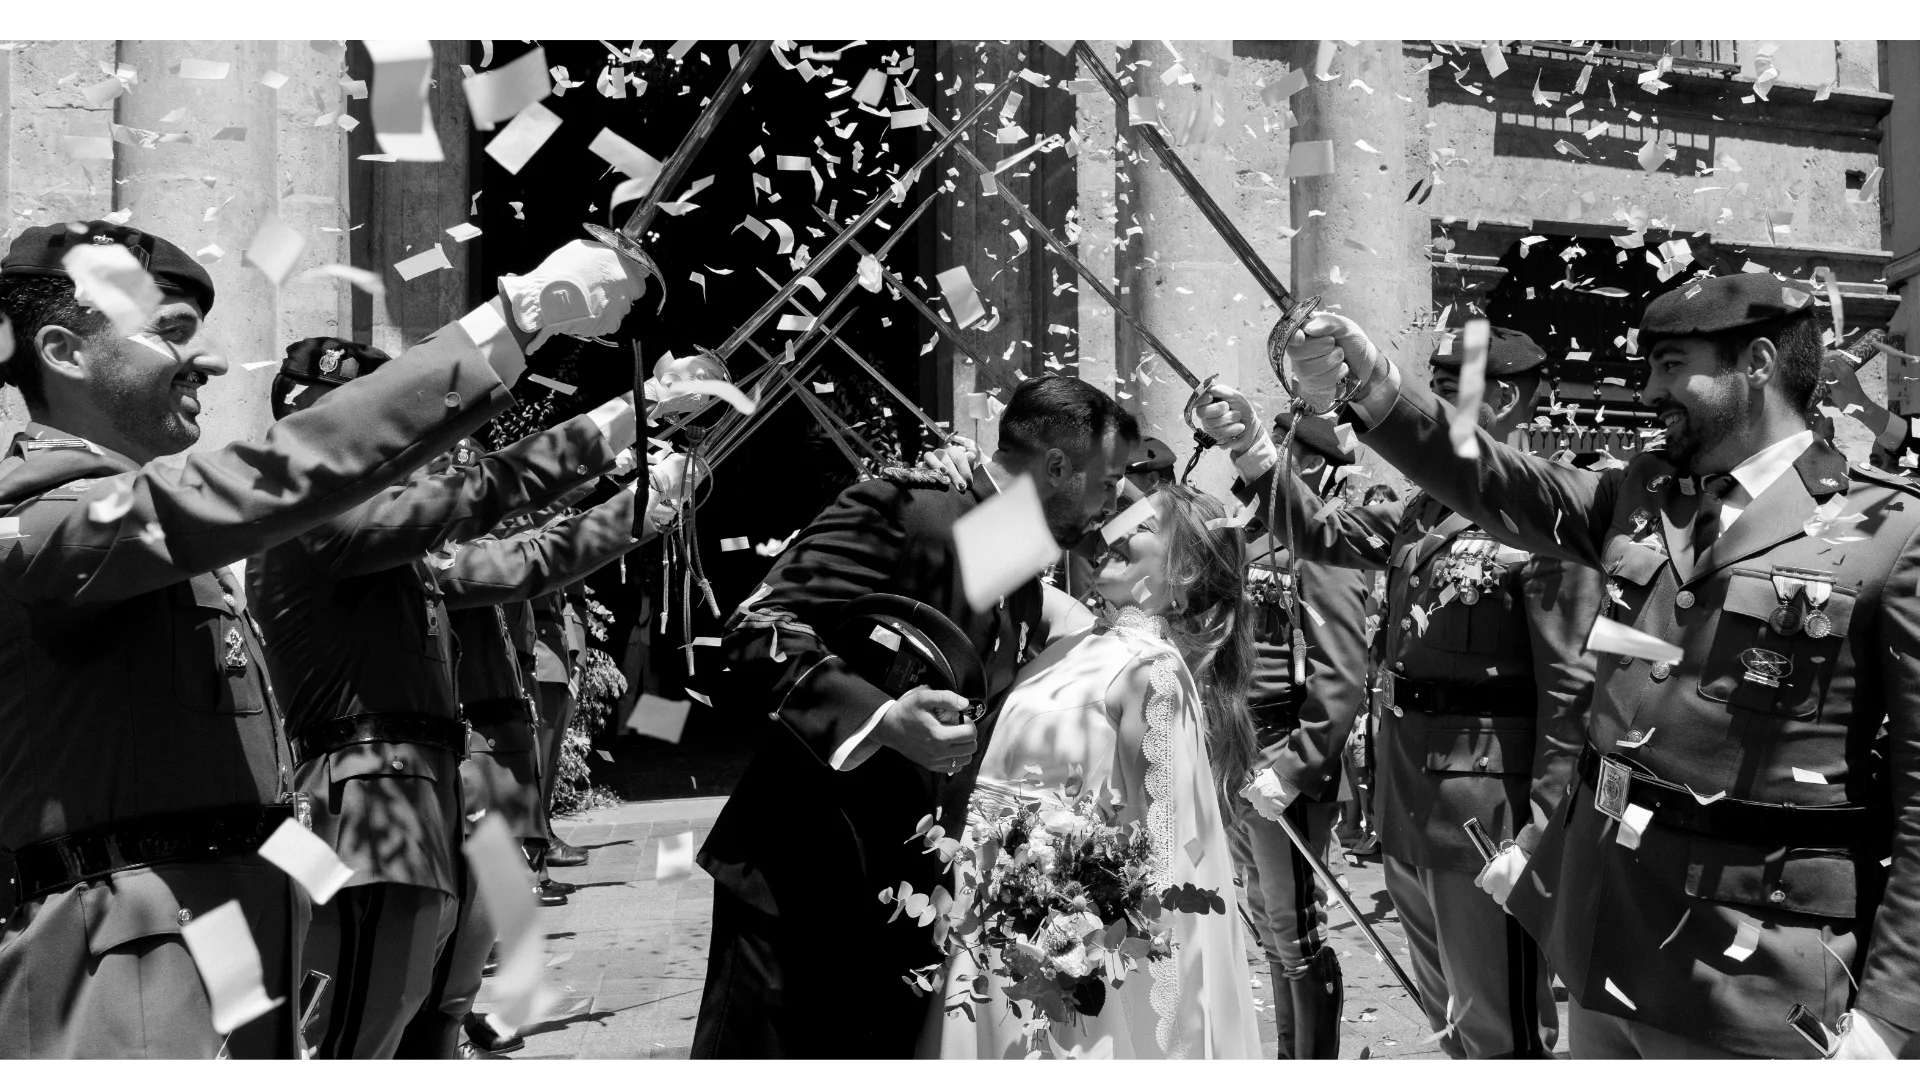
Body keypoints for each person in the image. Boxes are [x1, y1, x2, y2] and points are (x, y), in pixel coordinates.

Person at [1240, 274, 1920, 1063]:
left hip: (1755, 968)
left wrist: (1893, 1011)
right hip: (1609, 931)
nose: (1652, 389)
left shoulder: (1888, 535)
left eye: (1673, 366)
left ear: (1758, 363)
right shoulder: (1642, 496)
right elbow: (1493, 480)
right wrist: (1375, 387)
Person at [0, 221, 633, 1062]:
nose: (212, 362)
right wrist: (513, 321)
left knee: (403, 1016)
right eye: (171, 332)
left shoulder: (139, 535)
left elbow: (228, 787)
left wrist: (306, 897)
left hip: (219, 922)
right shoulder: (45, 522)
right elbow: (278, 475)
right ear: (64, 352)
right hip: (129, 957)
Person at [691, 375, 1137, 1063]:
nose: (1112, 502)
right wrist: (885, 720)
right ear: (1056, 466)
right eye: (1106, 481)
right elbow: (758, 627)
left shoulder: (1010, 548)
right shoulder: (901, 507)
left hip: (910, 910)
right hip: (800, 886)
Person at [1198, 327, 1601, 1063]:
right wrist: (1254, 449)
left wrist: (1542, 835)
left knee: (1500, 1032)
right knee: (1448, 1016)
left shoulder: (1548, 517)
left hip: (1488, 816)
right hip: (1413, 801)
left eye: (1445, 392)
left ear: (1505, 398)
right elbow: (1320, 533)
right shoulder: (1424, 509)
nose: (1423, 411)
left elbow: (1569, 695)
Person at [923, 483, 1263, 1062]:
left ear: (1182, 576)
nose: (1117, 530)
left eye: (1143, 525)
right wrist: (971, 482)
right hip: (981, 915)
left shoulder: (1151, 669)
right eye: (1117, 517)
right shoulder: (1075, 633)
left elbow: (1169, 846)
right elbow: (974, 553)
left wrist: (1161, 1008)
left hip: (1055, 942)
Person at [1231, 411, 1371, 1063]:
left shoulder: (1322, 541)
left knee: (1295, 930)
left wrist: (1296, 765)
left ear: (1311, 466)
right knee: (1266, 921)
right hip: (1237, 745)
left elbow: (1337, 662)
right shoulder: (1246, 532)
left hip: (1285, 747)